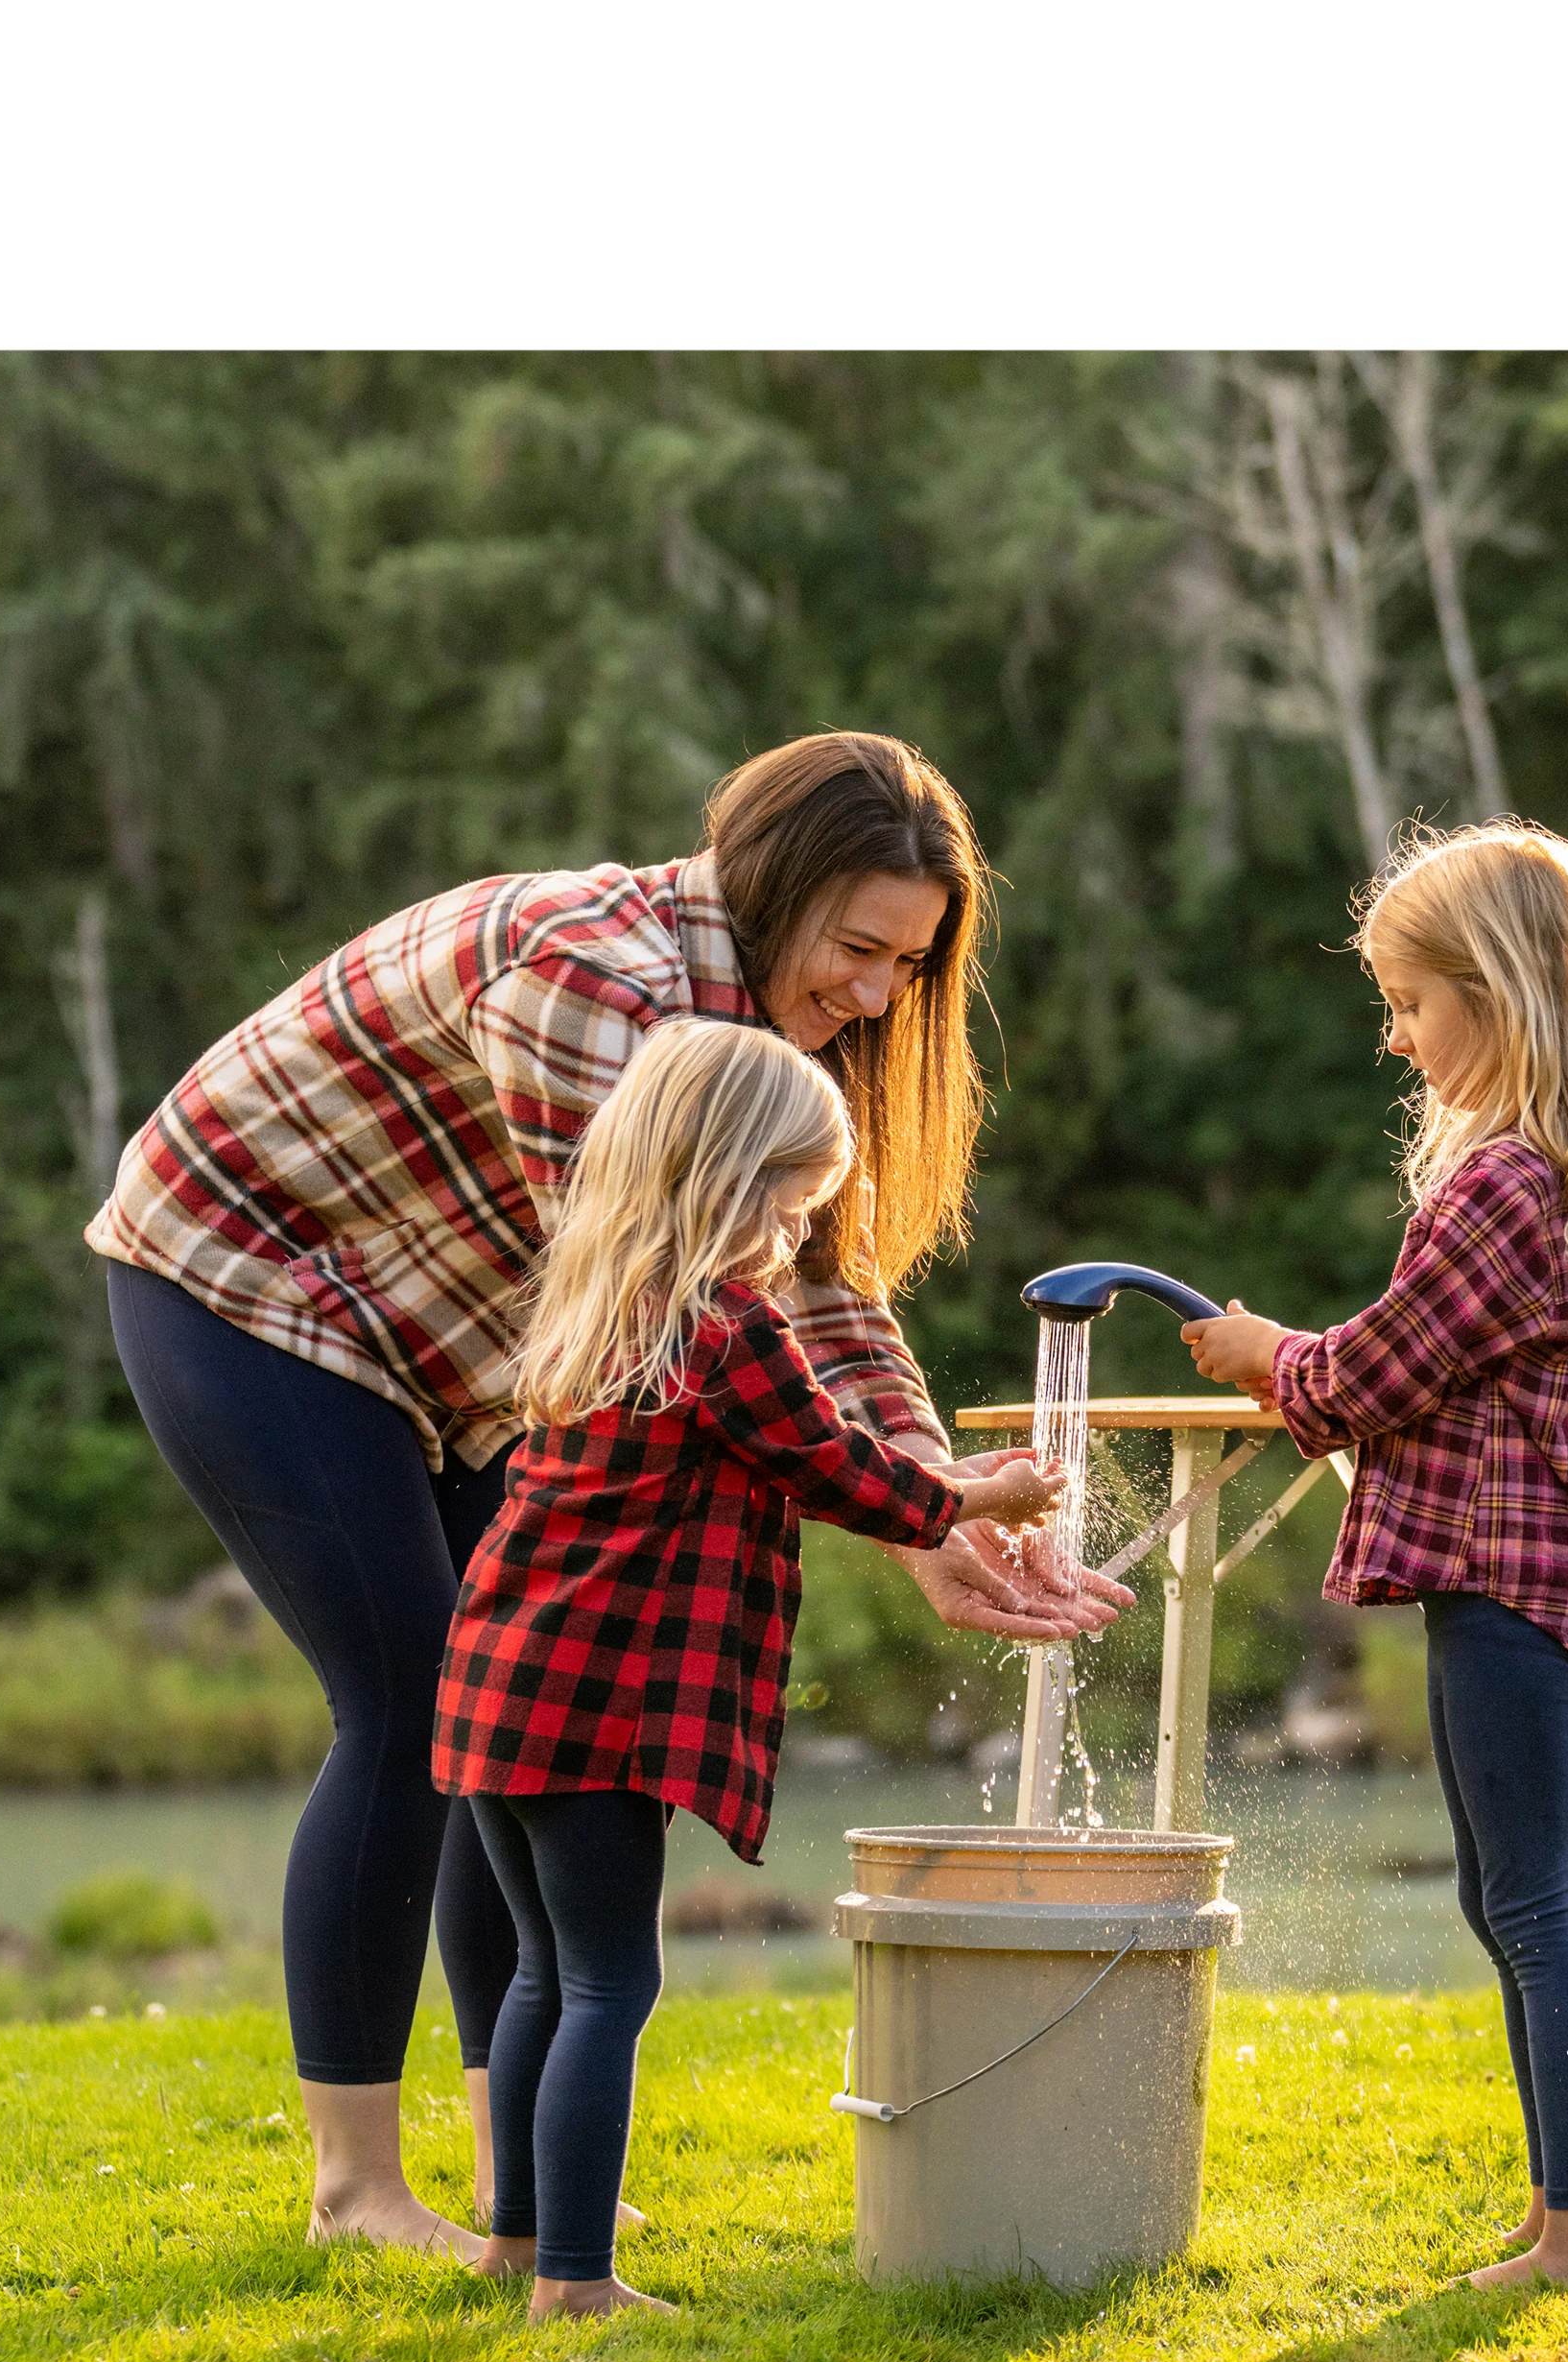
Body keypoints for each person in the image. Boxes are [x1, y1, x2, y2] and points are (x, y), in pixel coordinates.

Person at [86, 732, 1128, 2261]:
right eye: (859, 948)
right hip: (250, 1279)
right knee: (410, 1702)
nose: (877, 995)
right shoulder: (602, 983)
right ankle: (359, 2191)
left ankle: (525, 2182)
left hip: (472, 1345)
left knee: (485, 1718)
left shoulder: (766, 1022)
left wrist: (938, 1508)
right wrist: (915, 1507)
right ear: (771, 891)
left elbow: (819, 1282)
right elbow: (696, 1311)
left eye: (911, 964)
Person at [432, 1019, 1061, 2319]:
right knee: (613, 1980)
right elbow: (838, 1467)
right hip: (597, 1712)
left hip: (498, 1690)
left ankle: (515, 2241)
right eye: (787, 1207)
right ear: (721, 1179)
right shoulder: (727, 1329)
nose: (791, 1239)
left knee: (544, 1973)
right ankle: (575, 2281)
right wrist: (974, 1492)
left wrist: (943, 1495)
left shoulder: (599, 1309)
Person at [1182, 823, 1568, 2287]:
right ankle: (1556, 2203)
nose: (1398, 1040)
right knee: (1500, 1895)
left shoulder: (1500, 1190)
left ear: (1503, 993)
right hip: (1503, 1587)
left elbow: (1365, 1379)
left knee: (1530, 1901)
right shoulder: (1558, 1176)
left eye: (1412, 1004)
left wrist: (1264, 1349)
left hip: (1507, 1591)